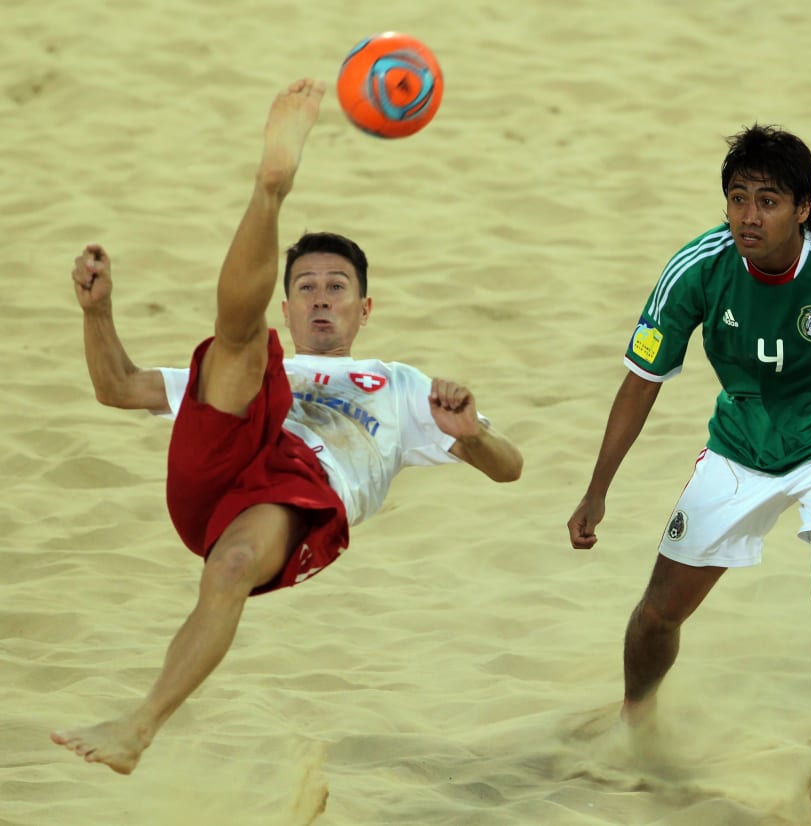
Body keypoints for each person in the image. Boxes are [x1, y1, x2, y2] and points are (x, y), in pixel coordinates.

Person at [52, 78, 523, 775]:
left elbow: (511, 468)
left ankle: (137, 727)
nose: (321, 299)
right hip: (230, 445)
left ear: (365, 308)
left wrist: (472, 433)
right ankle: (270, 186)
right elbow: (117, 387)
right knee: (244, 349)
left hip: (303, 486)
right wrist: (97, 312)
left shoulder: (400, 384)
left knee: (232, 567)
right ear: (290, 305)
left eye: (338, 287)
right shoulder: (278, 360)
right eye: (306, 287)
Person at [567, 124, 811, 813]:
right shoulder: (698, 268)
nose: (749, 216)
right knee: (659, 611)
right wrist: (596, 490)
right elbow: (641, 381)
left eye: (768, 201)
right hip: (742, 444)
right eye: (738, 198)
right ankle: (634, 723)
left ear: (803, 209)